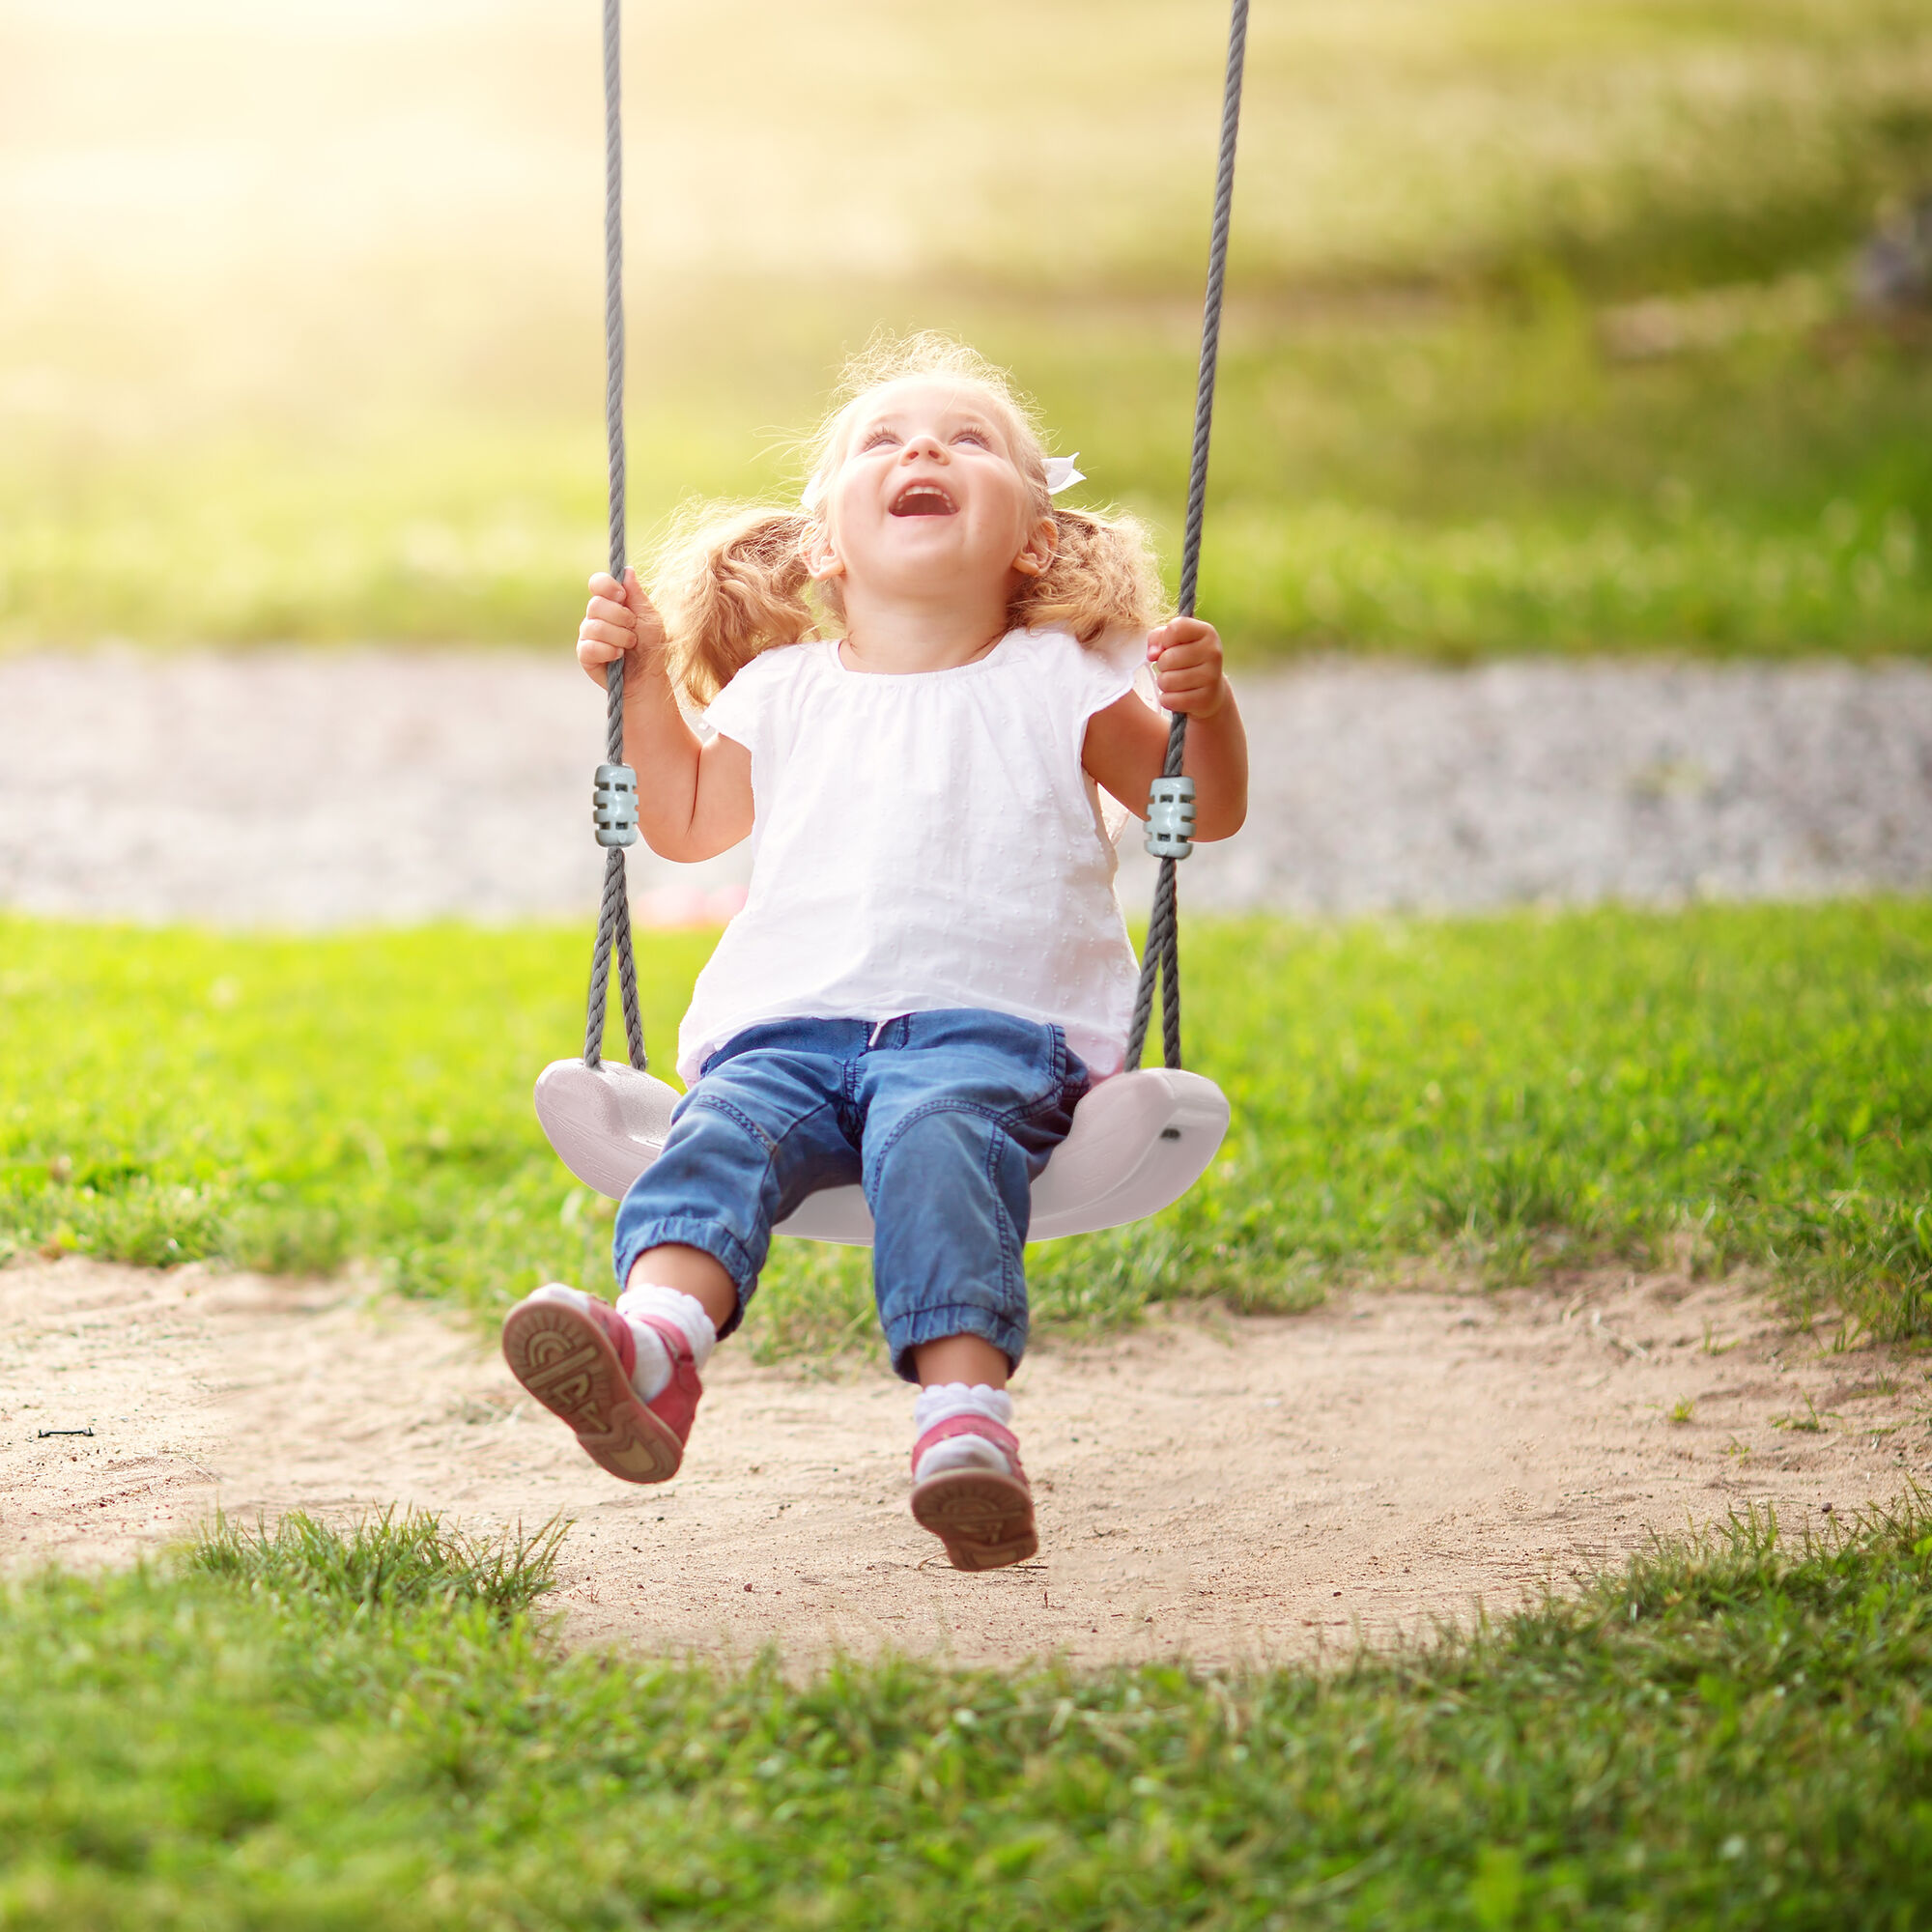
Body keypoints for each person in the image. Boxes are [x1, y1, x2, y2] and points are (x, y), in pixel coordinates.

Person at [502, 334, 1247, 1570]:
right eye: (884, 440)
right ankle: (651, 1345)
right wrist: (637, 679)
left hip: (992, 1032)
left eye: (968, 441)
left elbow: (1197, 808)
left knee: (934, 1137)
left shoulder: (1057, 681)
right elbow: (682, 819)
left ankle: (964, 1424)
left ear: (1033, 539)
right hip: (783, 1029)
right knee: (716, 1134)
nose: (922, 449)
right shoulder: (782, 691)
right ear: (823, 546)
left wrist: (1203, 711)